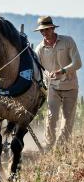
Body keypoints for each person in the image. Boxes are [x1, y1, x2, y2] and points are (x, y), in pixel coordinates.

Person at [35, 16, 82, 151]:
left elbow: (78, 63)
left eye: (46, 30)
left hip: (71, 86)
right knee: (51, 118)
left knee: (67, 121)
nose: (44, 33)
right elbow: (40, 70)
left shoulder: (68, 41)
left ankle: (60, 149)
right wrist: (46, 75)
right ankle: (48, 146)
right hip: (53, 88)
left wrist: (62, 71)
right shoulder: (39, 49)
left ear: (52, 28)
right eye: (41, 31)